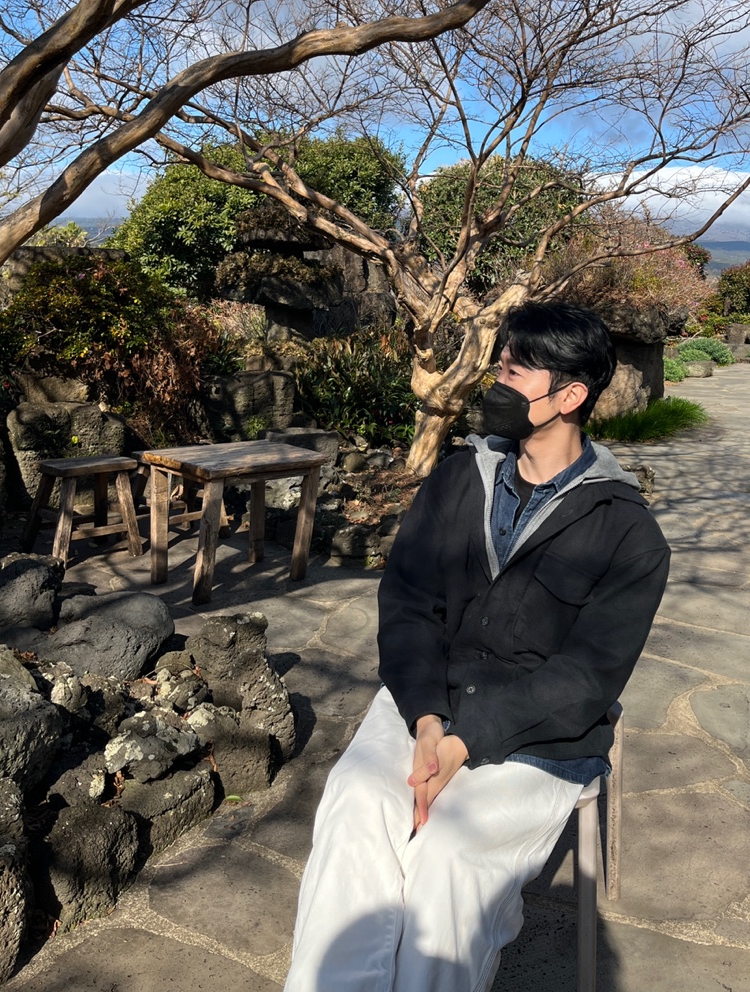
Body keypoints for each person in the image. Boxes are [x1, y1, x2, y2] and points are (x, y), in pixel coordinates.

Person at [283, 301, 670, 992]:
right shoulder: (460, 478)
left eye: (515, 372)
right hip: (427, 697)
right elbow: (407, 600)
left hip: (540, 735)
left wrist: (468, 742)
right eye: (501, 366)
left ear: (570, 396)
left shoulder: (628, 532)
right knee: (354, 806)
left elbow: (587, 678)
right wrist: (427, 717)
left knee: (449, 859)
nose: (497, 383)